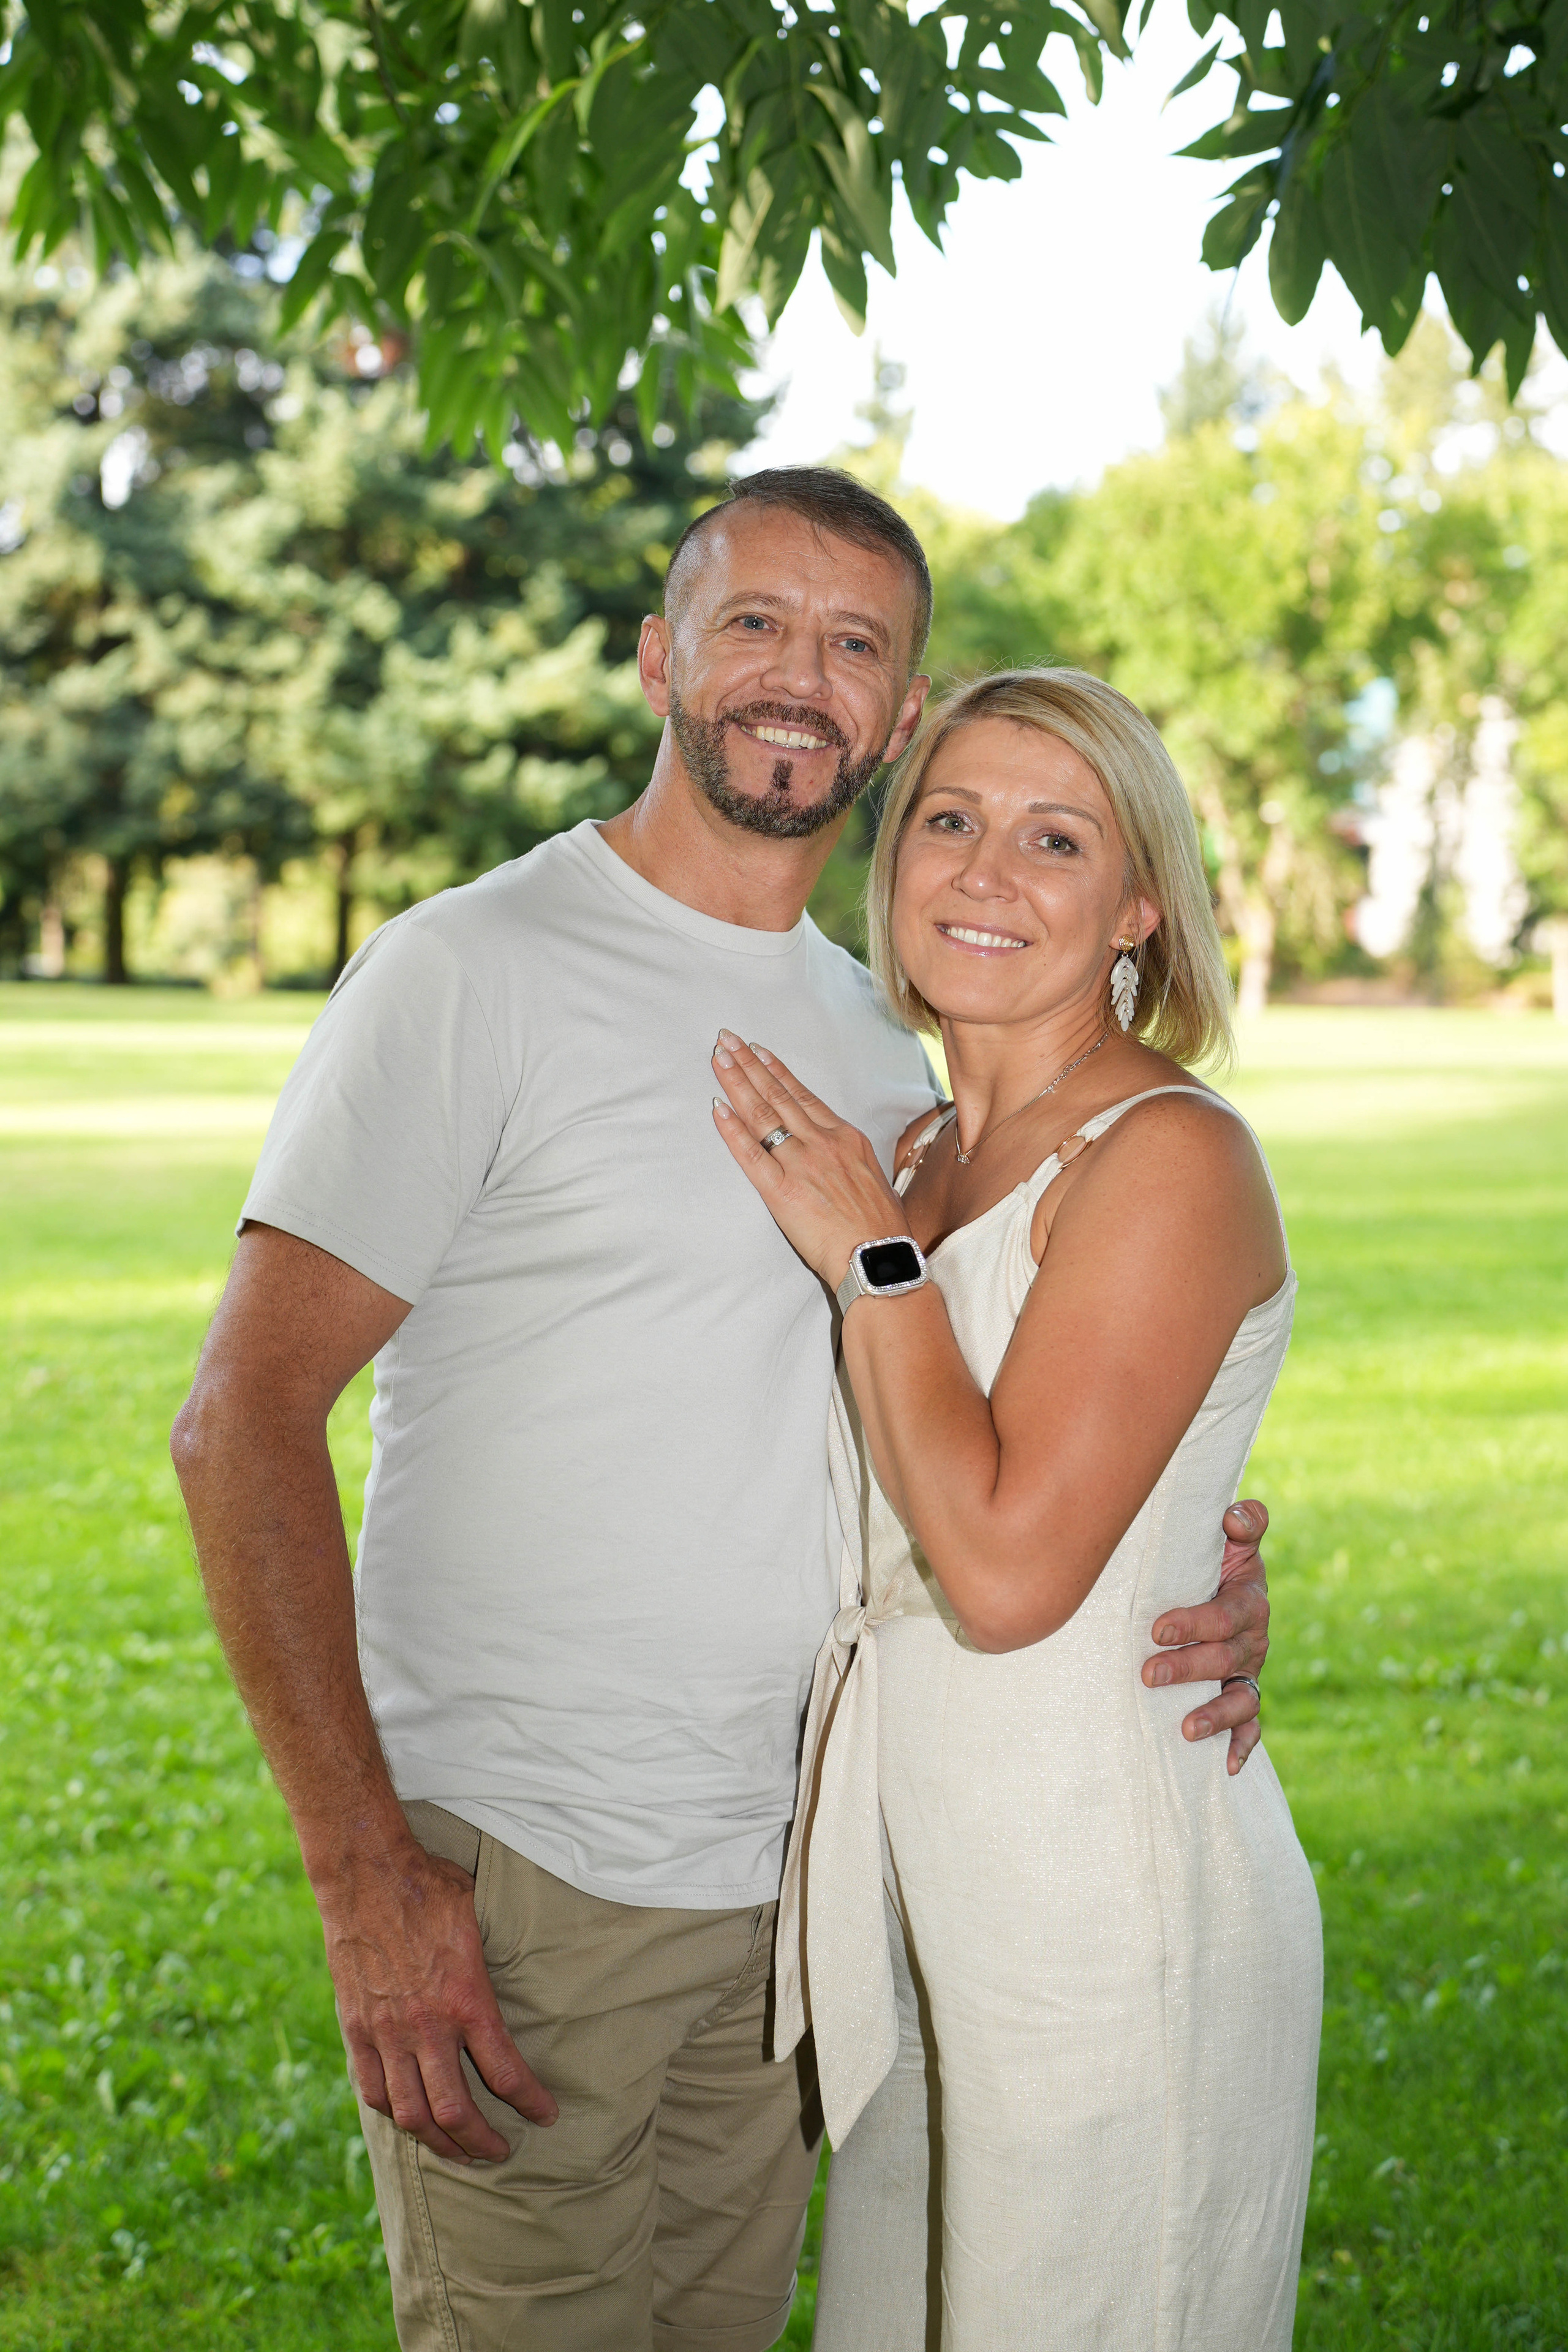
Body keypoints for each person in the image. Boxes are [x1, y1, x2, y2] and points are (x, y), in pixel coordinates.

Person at [170, 474, 1276, 2352]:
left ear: (899, 710)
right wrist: (368, 1877)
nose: (799, 677)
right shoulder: (475, 970)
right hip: (525, 1886)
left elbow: (1016, 1414)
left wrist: (1205, 1568)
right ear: (657, 654)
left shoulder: (890, 1050)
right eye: (753, 621)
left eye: (857, 645)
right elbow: (241, 1424)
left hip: (805, 1896)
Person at [709, 668, 1322, 2350]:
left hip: (1108, 1911)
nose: (984, 875)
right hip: (916, 1899)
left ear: (1138, 904)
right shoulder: (907, 1153)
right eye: (951, 823)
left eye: (1055, 840)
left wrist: (870, 1264)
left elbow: (1001, 1572)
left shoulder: (1167, 1157)